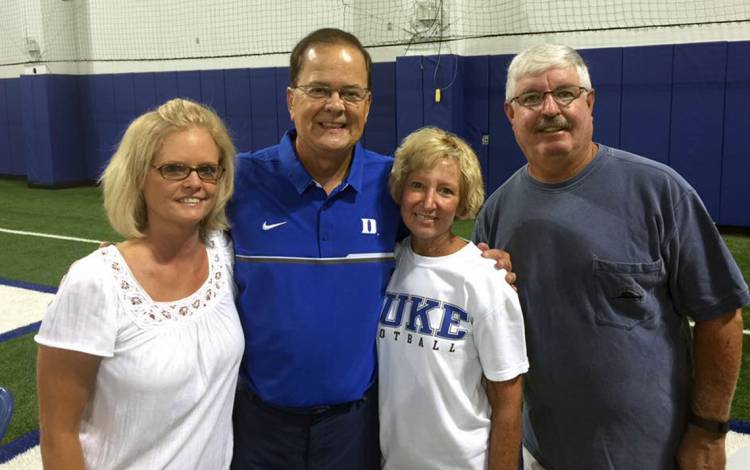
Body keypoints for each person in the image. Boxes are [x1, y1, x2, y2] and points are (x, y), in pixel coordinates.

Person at [228, 28, 513, 469]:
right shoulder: (240, 180)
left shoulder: (393, 185)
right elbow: (182, 236)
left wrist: (486, 264)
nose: (335, 106)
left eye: (350, 92)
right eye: (319, 89)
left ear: (367, 103)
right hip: (259, 426)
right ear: (291, 99)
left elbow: (435, 241)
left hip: (356, 429)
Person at [473, 43, 749, 470]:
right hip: (543, 454)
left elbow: (721, 315)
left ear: (590, 101)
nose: (549, 109)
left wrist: (709, 431)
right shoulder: (496, 213)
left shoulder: (661, 193)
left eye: (565, 93)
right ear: (511, 114)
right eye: (530, 98)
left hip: (656, 456)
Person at [35, 98, 244, 469]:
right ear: (138, 176)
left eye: (208, 169)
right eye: (175, 169)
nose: (195, 182)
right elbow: (58, 434)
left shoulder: (225, 256)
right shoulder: (95, 283)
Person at [378, 127, 528, 470]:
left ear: (462, 202)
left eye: (445, 191)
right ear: (401, 190)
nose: (429, 202)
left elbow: (508, 403)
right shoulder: (389, 264)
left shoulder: (487, 278)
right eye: (417, 185)